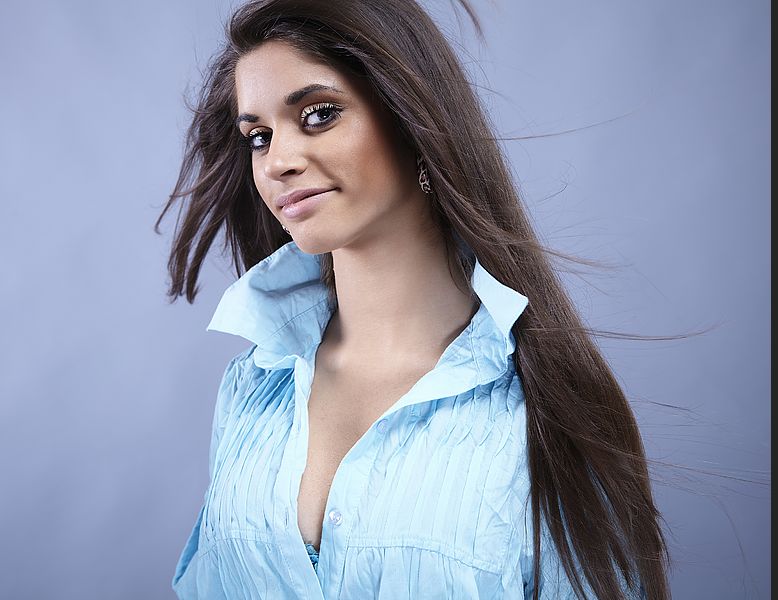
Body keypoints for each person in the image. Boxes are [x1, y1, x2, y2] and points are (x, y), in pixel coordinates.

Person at [155, 0, 670, 598]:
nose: (278, 162)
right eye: (259, 137)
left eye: (319, 114)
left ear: (412, 120)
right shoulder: (253, 388)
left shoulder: (543, 411)